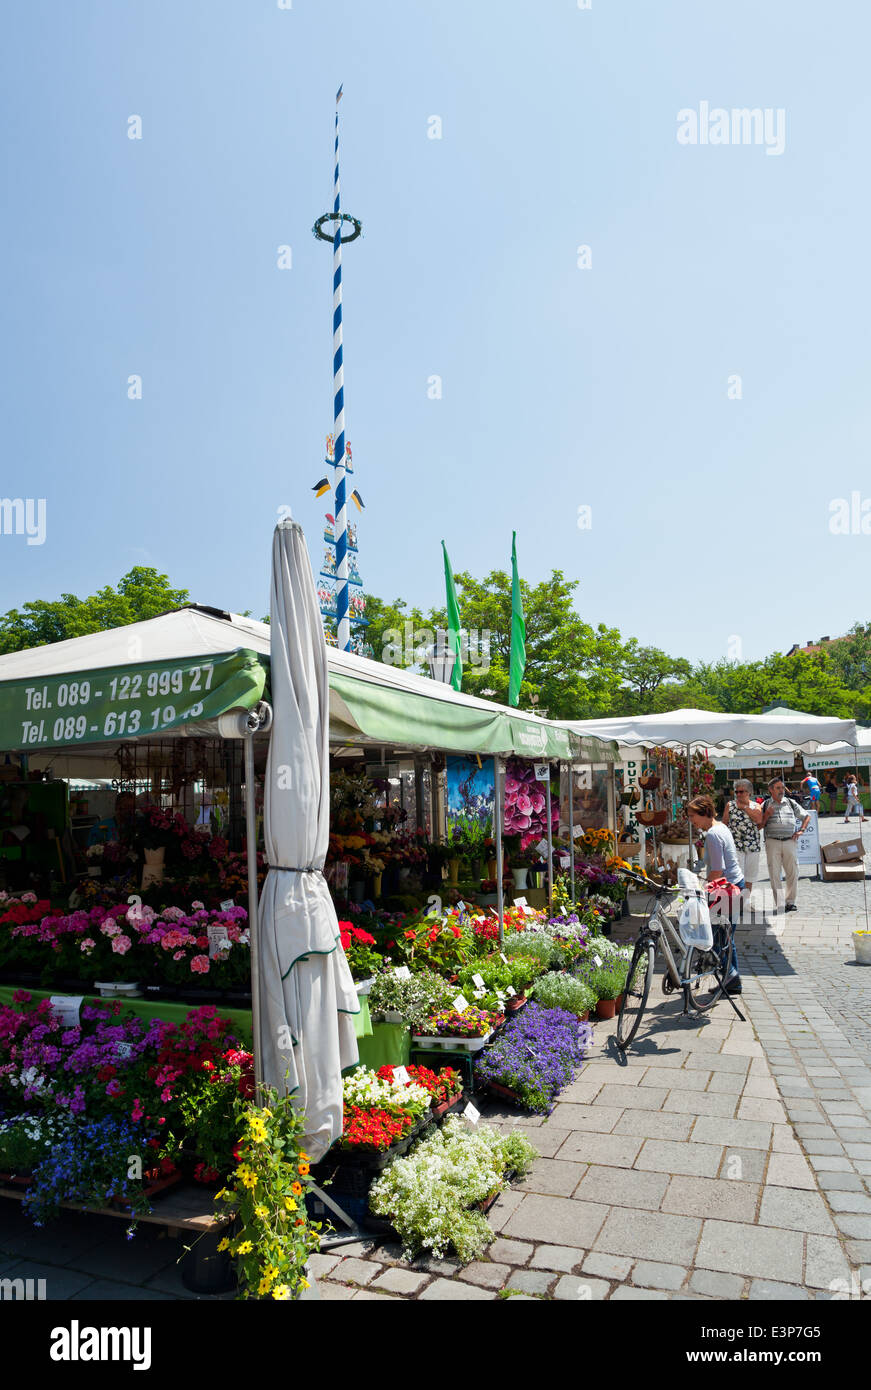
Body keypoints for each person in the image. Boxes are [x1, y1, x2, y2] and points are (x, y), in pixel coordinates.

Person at [687, 794, 743, 993]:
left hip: (725, 888)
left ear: (704, 813)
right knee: (726, 936)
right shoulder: (721, 827)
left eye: (693, 816)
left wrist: (703, 890)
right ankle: (732, 978)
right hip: (735, 884)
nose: (692, 821)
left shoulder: (712, 834)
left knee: (720, 937)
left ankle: (730, 977)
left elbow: (717, 870)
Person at [762, 778, 810, 912]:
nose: (781, 791)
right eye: (778, 788)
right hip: (772, 842)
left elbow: (806, 816)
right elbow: (759, 825)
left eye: (782, 788)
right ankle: (780, 903)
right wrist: (766, 815)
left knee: (793, 872)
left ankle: (790, 901)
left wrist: (802, 830)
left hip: (790, 841)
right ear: (770, 790)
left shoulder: (790, 802)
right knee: (774, 873)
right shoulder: (765, 805)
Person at [722, 779, 763, 891]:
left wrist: (745, 808)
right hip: (735, 846)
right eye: (736, 792)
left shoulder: (756, 805)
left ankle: (746, 902)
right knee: (736, 877)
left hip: (753, 846)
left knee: (749, 877)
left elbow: (759, 819)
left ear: (749, 792)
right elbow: (724, 825)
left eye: (741, 791)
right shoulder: (730, 805)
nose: (738, 794)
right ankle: (736, 902)